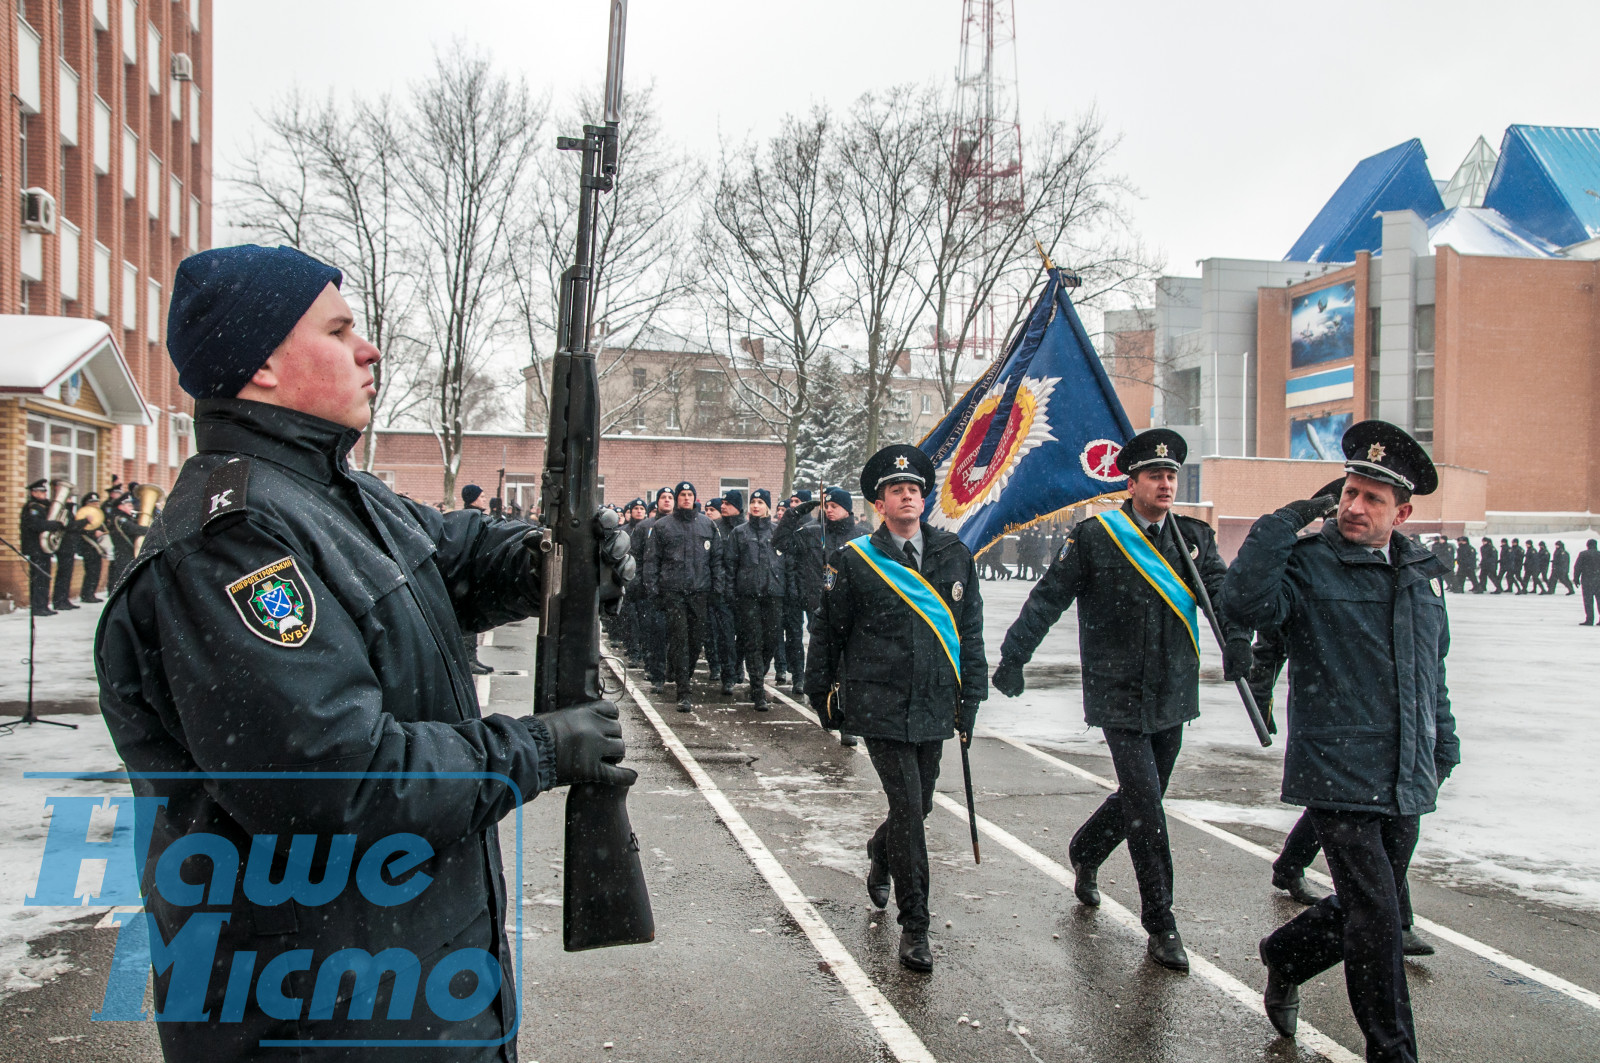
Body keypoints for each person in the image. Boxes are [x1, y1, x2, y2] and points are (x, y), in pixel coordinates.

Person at [95, 244, 635, 1060]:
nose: (369, 348)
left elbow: (451, 553)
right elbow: (335, 778)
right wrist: (538, 746)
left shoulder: (334, 493)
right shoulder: (233, 544)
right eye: (339, 330)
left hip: (403, 989)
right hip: (322, 1015)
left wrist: (546, 558)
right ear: (264, 366)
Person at [1221, 419, 1458, 1062]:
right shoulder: (1306, 562)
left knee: (1363, 905)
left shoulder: (1419, 572)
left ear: (1401, 512)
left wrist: (1444, 745)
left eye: (1372, 499)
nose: (1354, 507)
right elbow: (1241, 606)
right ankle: (1392, 1052)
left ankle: (1286, 955)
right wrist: (1283, 521)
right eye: (1349, 491)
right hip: (1336, 766)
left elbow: (1429, 671)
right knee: (1380, 918)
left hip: (1406, 770)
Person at [992, 428, 1246, 973]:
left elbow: (1222, 598)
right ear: (1132, 483)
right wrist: (1015, 656)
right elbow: (1049, 598)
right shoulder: (1097, 536)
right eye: (1155, 475)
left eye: (1172, 475)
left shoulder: (1193, 538)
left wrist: (1242, 647)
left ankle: (1086, 850)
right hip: (1117, 690)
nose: (1165, 483)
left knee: (1142, 796)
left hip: (1174, 690)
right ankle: (1161, 922)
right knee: (1147, 806)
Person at [805, 444, 986, 972]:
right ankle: (916, 926)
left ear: (925, 500)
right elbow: (828, 632)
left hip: (933, 701)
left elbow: (969, 632)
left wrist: (971, 696)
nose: (907, 496)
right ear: (879, 504)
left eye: (914, 490)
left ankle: (880, 852)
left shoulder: (954, 554)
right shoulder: (855, 560)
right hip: (879, 701)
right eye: (895, 490)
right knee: (909, 808)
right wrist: (822, 695)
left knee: (919, 805)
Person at [776, 485, 869, 745]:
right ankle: (826, 708)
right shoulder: (813, 533)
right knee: (821, 666)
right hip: (819, 609)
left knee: (846, 665)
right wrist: (795, 514)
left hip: (852, 611)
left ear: (847, 509)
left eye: (834, 506)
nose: (828, 510)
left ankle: (848, 721)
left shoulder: (863, 535)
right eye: (825, 506)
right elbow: (781, 542)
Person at [642, 480, 721, 712]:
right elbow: (651, 561)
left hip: (700, 592)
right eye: (682, 494)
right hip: (674, 592)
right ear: (677, 498)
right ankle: (683, 691)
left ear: (695, 498)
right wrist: (654, 591)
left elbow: (716, 560)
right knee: (679, 639)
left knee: (696, 641)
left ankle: (680, 672)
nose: (686, 498)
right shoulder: (663, 526)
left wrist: (717, 589)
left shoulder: (707, 525)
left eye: (690, 494)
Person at [726, 489, 784, 710]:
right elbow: (731, 564)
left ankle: (758, 675)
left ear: (768, 506)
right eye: (753, 502)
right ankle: (758, 689)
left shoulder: (777, 532)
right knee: (753, 641)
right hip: (748, 595)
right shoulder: (739, 533)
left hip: (773, 594)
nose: (756, 506)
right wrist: (731, 592)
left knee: (770, 641)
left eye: (760, 502)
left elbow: (787, 564)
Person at [18, 479, 61, 615]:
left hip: (43, 548)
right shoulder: (32, 507)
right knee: (39, 578)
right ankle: (38, 606)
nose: (43, 494)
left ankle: (43, 605)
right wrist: (53, 525)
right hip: (35, 547)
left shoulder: (43, 506)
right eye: (41, 492)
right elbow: (36, 525)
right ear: (34, 492)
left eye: (44, 491)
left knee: (45, 577)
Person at [104, 492, 142, 591]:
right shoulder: (119, 518)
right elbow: (133, 529)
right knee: (121, 576)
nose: (132, 507)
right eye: (129, 505)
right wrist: (149, 529)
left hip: (127, 551)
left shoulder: (127, 518)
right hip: (122, 551)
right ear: (121, 506)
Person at [1576, 539, 1600, 625]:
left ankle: (1589, 619)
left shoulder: (1583, 554)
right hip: (1598, 581)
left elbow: (1577, 567)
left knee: (1588, 601)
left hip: (1587, 581)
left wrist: (1576, 578)